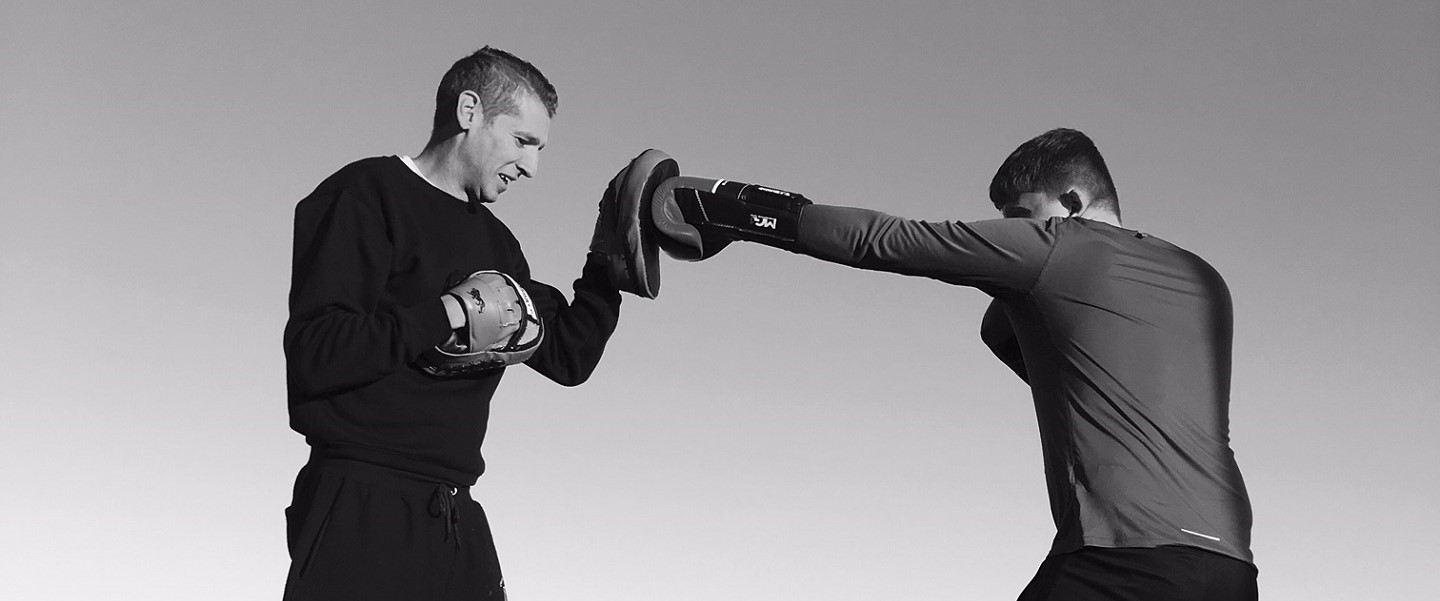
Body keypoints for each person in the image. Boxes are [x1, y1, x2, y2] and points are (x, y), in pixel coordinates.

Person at [652, 128, 1257, 600]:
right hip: (1230, 569)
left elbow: (882, 240)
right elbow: (1052, 352)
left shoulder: (1060, 248)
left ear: (1070, 202)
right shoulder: (1203, 279)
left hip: (1122, 559)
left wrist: (729, 208)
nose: (1010, 234)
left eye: (1019, 217)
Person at [282, 47, 625, 600]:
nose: (531, 168)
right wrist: (447, 313)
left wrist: (611, 265)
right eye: (522, 142)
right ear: (470, 111)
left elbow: (568, 357)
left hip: (456, 516)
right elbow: (315, 354)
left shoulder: (498, 245)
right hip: (360, 504)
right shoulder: (365, 194)